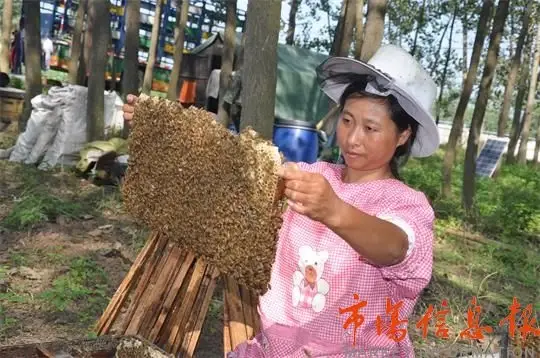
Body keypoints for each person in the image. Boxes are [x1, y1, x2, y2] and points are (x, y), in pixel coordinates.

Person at [122, 44, 440, 357]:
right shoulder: (311, 175)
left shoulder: (406, 204)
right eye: (347, 120)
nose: (353, 138)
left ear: (403, 135)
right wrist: (162, 127)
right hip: (275, 348)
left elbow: (397, 248)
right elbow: (232, 169)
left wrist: (335, 211)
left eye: (370, 128)